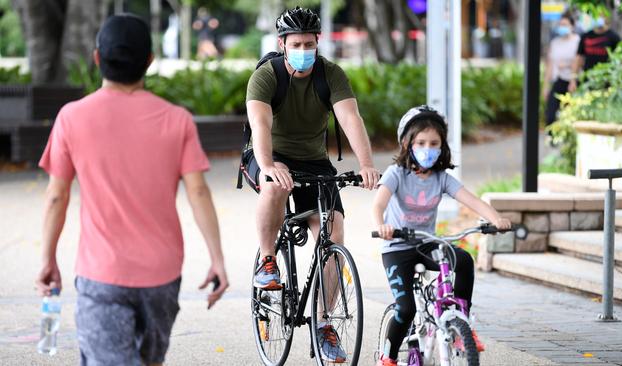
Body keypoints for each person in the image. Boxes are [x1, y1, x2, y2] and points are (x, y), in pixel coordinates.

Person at [36, 14, 228, 365]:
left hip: (102, 275)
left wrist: (48, 258)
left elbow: (55, 196)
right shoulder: (177, 119)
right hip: (162, 275)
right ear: (149, 61)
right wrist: (217, 258)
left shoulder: (71, 117)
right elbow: (198, 192)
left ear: (97, 58)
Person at [244, 6, 380, 363]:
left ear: (318, 42)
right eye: (296, 43)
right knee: (274, 186)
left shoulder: (330, 74)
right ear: (282, 43)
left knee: (334, 233)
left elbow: (351, 118)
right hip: (267, 153)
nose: (304, 49)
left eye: (309, 43)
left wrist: (366, 165)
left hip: (313, 160)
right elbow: (259, 125)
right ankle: (268, 262)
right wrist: (269, 165)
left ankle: (323, 324)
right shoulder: (265, 75)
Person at [372, 106, 511, 366]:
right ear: (407, 143)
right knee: (406, 309)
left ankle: (462, 322)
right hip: (397, 248)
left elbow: (472, 200)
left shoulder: (441, 178)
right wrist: (382, 225)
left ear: (442, 147)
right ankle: (388, 358)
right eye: (421, 142)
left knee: (464, 260)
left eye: (434, 143)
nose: (428, 148)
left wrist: (496, 219)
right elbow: (378, 204)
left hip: (427, 244)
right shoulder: (396, 174)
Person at [543, 13, 580, 126]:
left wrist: (568, 67)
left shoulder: (578, 41)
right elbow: (550, 64)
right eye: (560, 25)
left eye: (565, 24)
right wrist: (545, 85)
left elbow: (580, 61)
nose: (562, 27)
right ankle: (552, 139)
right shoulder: (555, 43)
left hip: (572, 82)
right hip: (557, 80)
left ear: (572, 26)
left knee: (570, 113)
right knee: (550, 114)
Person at [568, 14, 620, 93]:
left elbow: (620, 59)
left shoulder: (613, 37)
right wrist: (573, 80)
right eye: (597, 15)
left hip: (607, 80)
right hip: (588, 80)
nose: (599, 18)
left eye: (602, 16)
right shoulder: (586, 36)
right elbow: (578, 58)